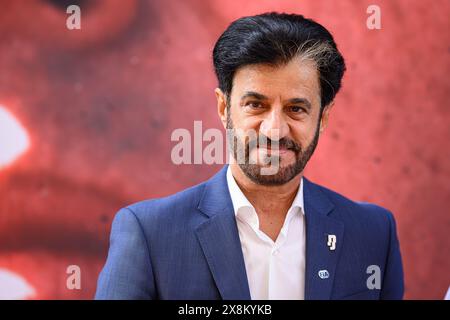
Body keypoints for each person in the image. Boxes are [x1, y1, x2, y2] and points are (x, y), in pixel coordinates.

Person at [95, 12, 404, 300]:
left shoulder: (374, 234)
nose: (274, 130)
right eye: (256, 105)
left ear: (323, 117)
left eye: (296, 109)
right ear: (223, 108)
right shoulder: (150, 233)